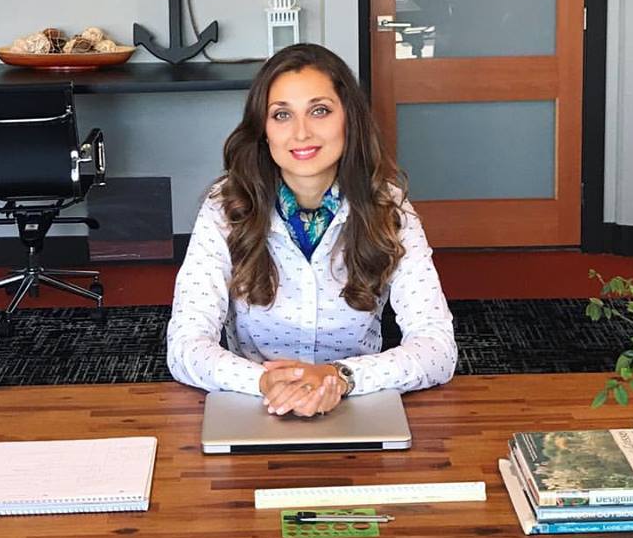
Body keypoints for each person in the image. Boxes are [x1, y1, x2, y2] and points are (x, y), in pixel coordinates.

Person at [167, 43, 457, 417]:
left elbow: (438, 348)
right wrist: (261, 381)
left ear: (348, 119)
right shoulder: (226, 206)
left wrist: (339, 377)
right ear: (263, 130)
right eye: (282, 114)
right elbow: (184, 345)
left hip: (357, 402)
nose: (301, 133)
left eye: (319, 110)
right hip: (255, 404)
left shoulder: (389, 207)